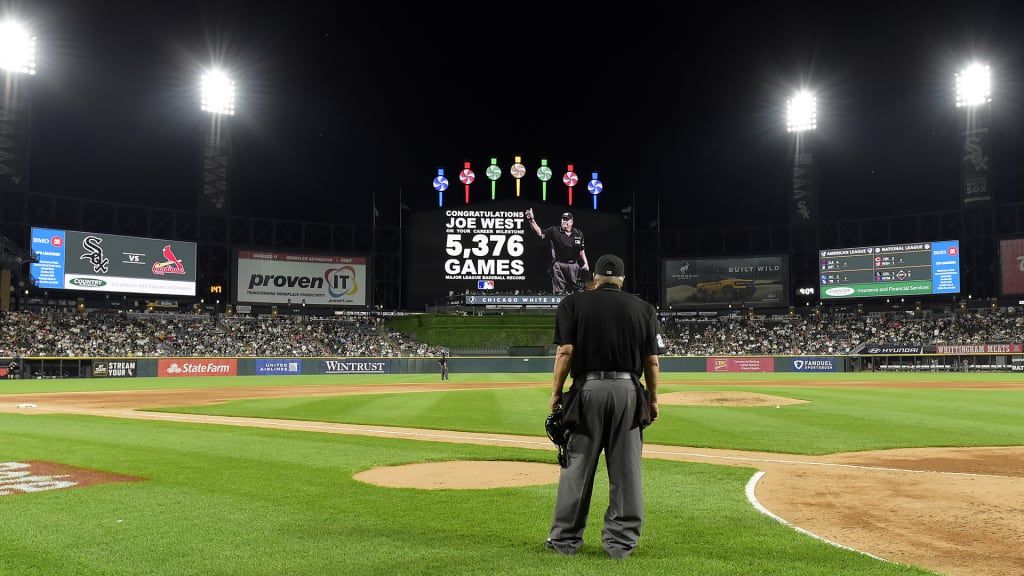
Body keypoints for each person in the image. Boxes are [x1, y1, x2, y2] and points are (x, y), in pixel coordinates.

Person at [544, 253, 661, 559]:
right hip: (629, 391)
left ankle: (564, 541)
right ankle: (621, 545)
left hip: (587, 390)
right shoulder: (644, 308)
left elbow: (566, 351)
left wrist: (556, 392)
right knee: (627, 471)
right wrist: (653, 399)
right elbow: (652, 360)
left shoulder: (573, 303)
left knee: (577, 468)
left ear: (594, 279)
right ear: (622, 281)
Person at [525, 208, 589, 295]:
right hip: (559, 265)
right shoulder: (554, 230)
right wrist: (531, 220)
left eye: (566, 219)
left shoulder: (579, 233)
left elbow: (582, 251)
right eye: (563, 219)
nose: (564, 221)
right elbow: (540, 233)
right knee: (559, 293)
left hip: (574, 266)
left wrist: (586, 263)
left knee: (576, 292)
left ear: (571, 222)